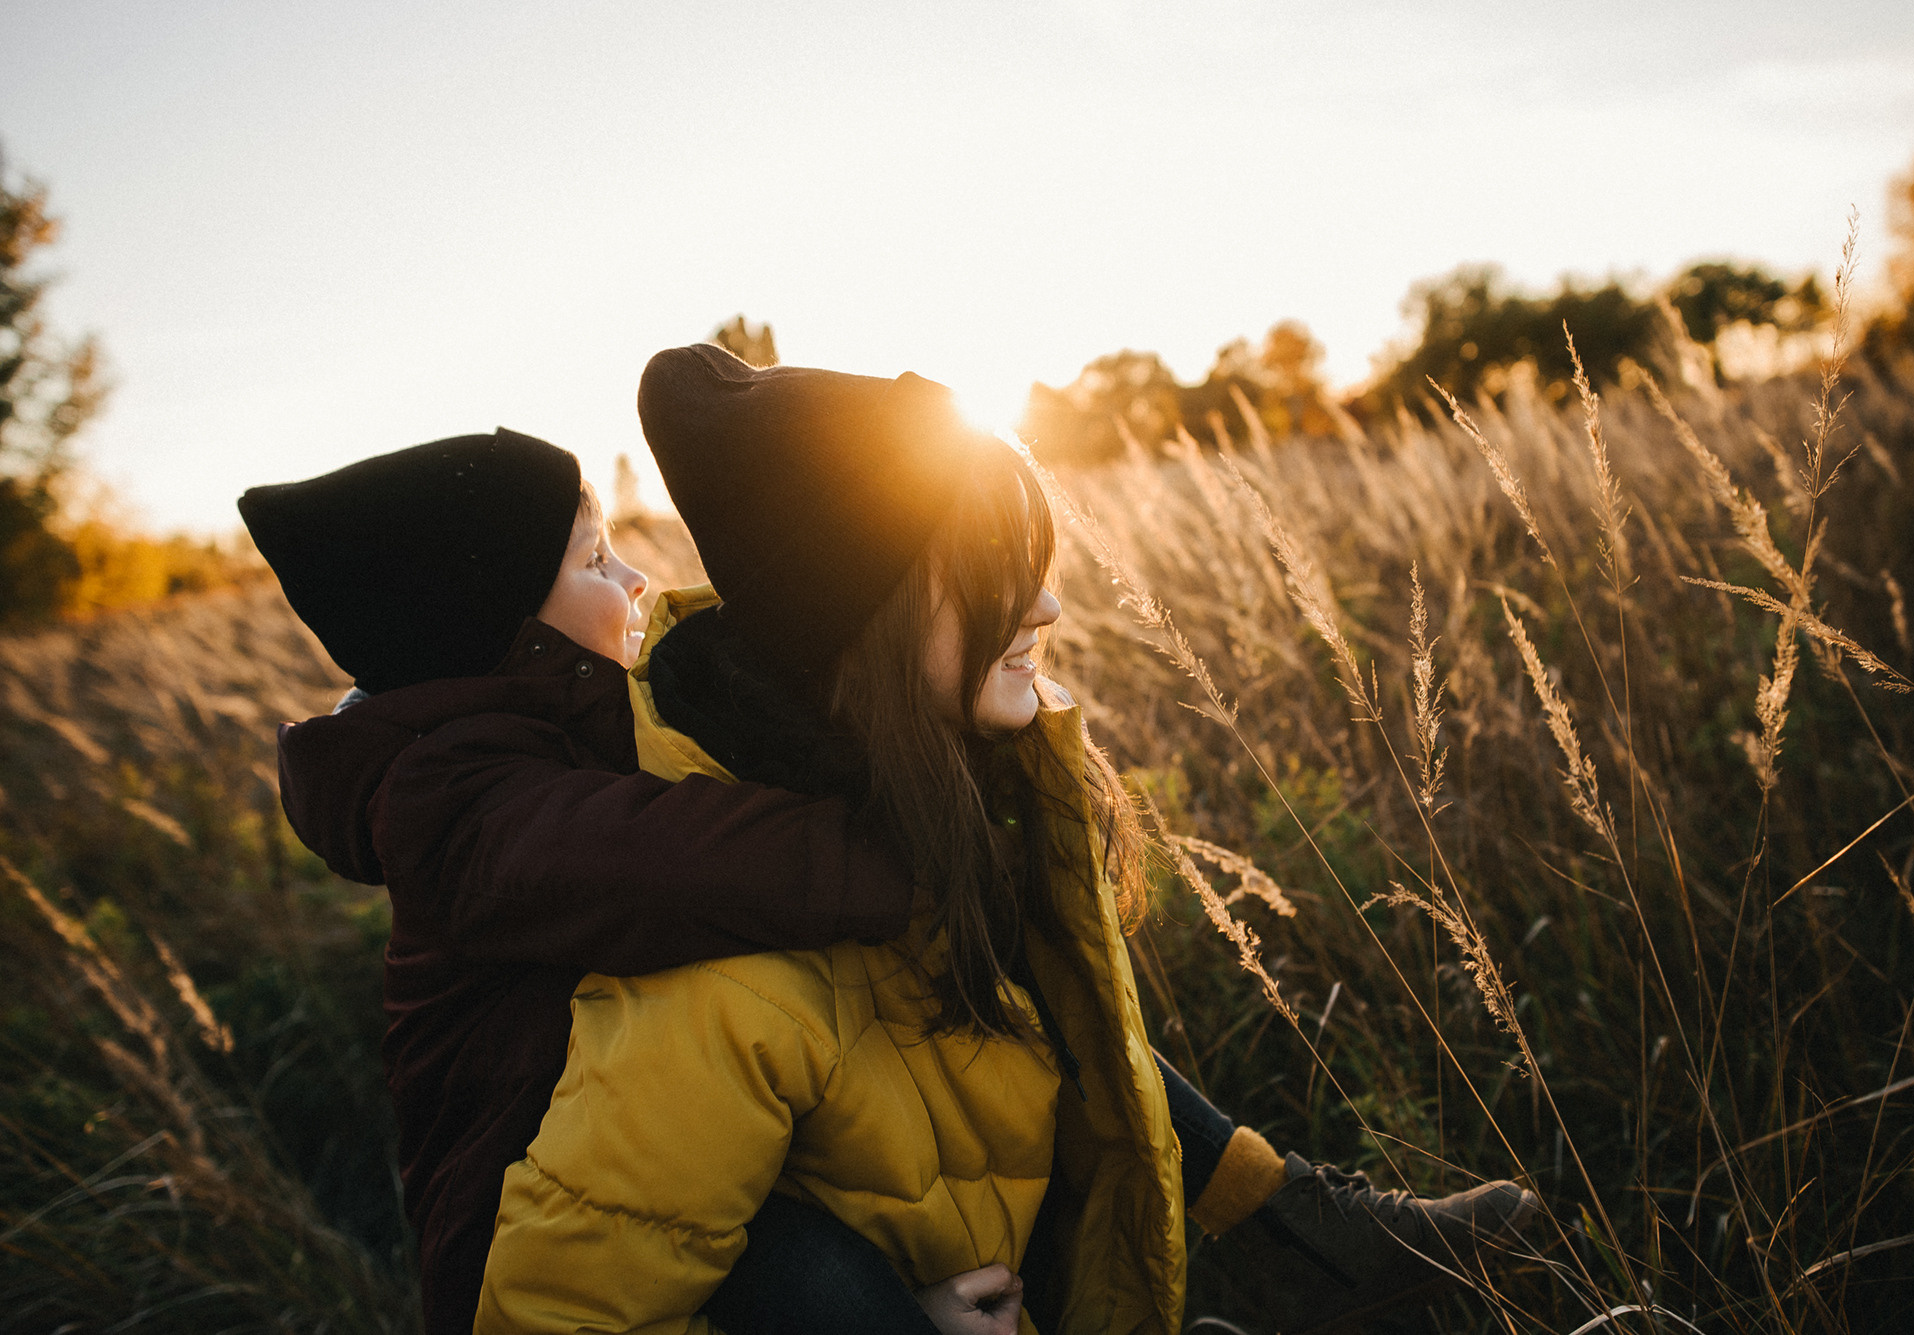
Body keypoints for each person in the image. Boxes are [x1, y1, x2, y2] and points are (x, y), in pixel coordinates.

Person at [474, 347, 1533, 1335]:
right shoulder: (726, 954)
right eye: (988, 573)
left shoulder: (922, 793)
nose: (1047, 604)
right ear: (862, 619)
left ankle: (1292, 1226)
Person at [238, 430, 937, 1335]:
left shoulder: (542, 746)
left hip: (643, 1160)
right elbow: (679, 862)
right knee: (816, 1277)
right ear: (508, 633)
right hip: (531, 1227)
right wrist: (916, 861)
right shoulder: (461, 812)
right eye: (596, 560)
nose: (638, 578)